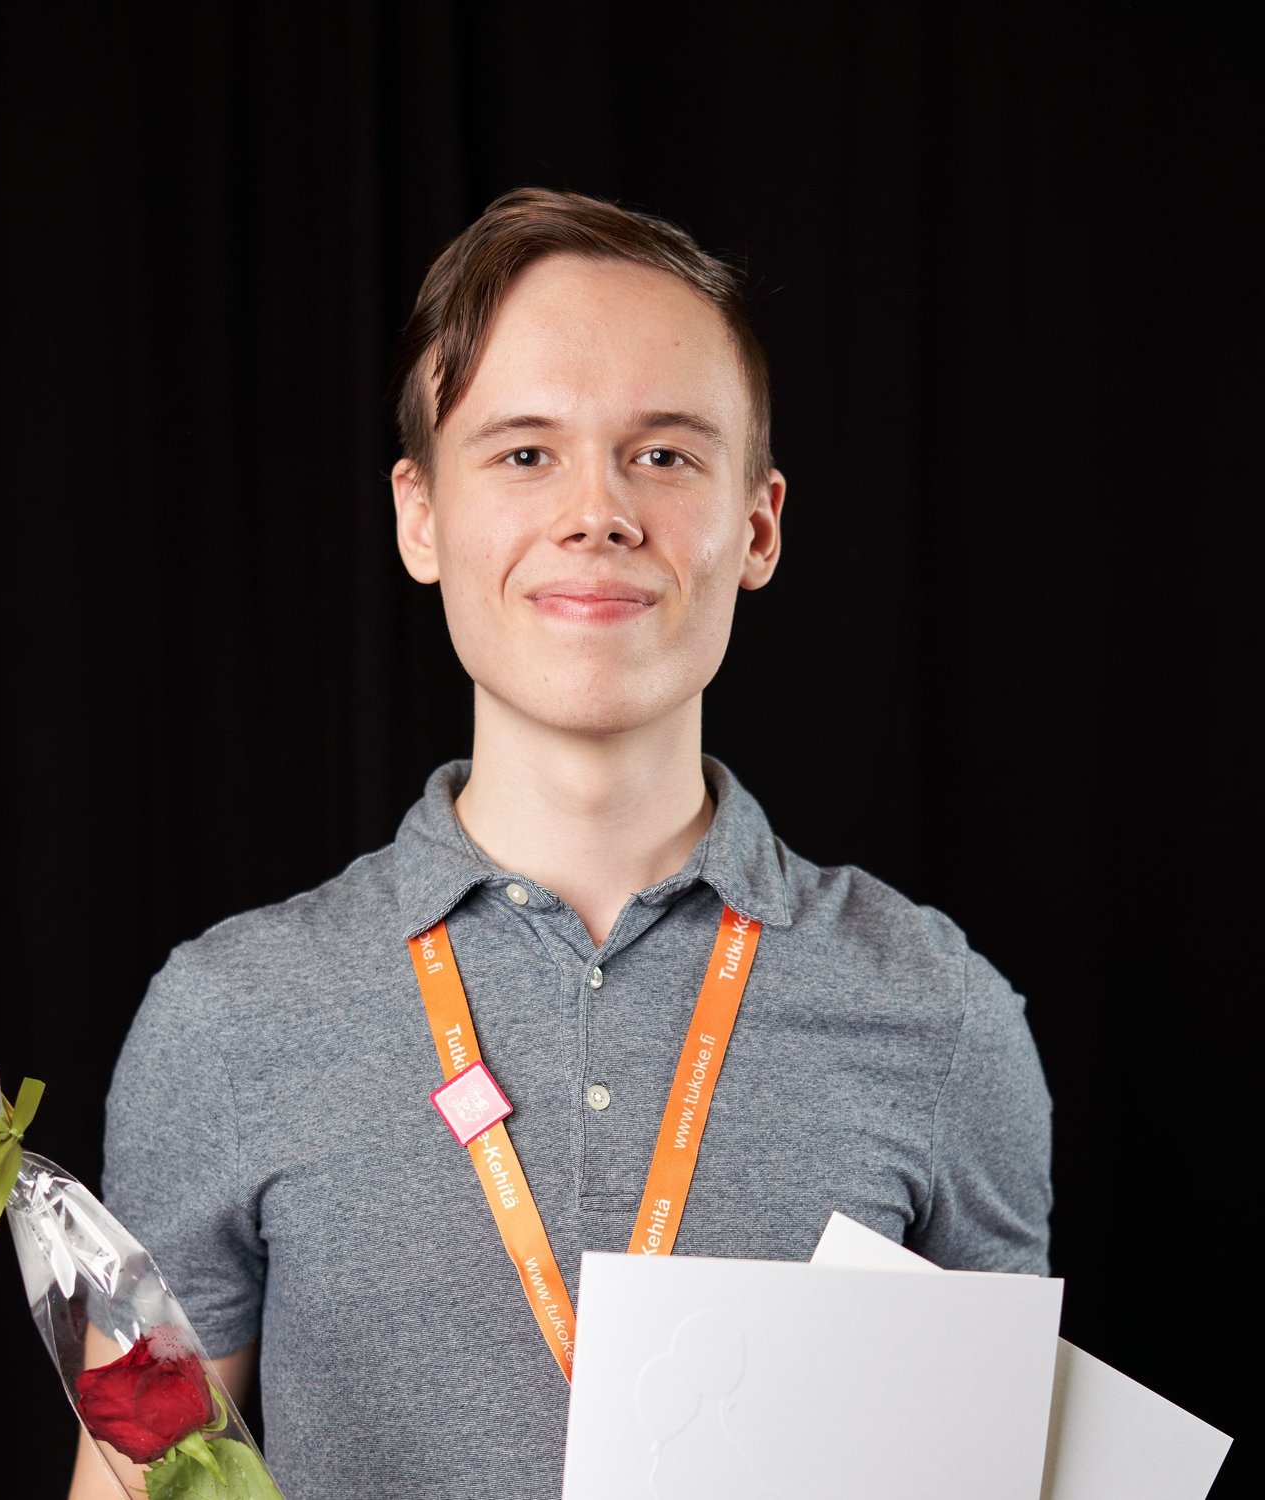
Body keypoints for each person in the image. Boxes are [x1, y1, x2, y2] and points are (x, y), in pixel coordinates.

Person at [70, 188, 1052, 1499]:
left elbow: (996, 1469)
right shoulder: (225, 1022)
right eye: (526, 453)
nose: (598, 512)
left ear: (758, 525)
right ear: (421, 516)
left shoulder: (939, 1015)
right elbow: (133, 1477)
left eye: (666, 455)